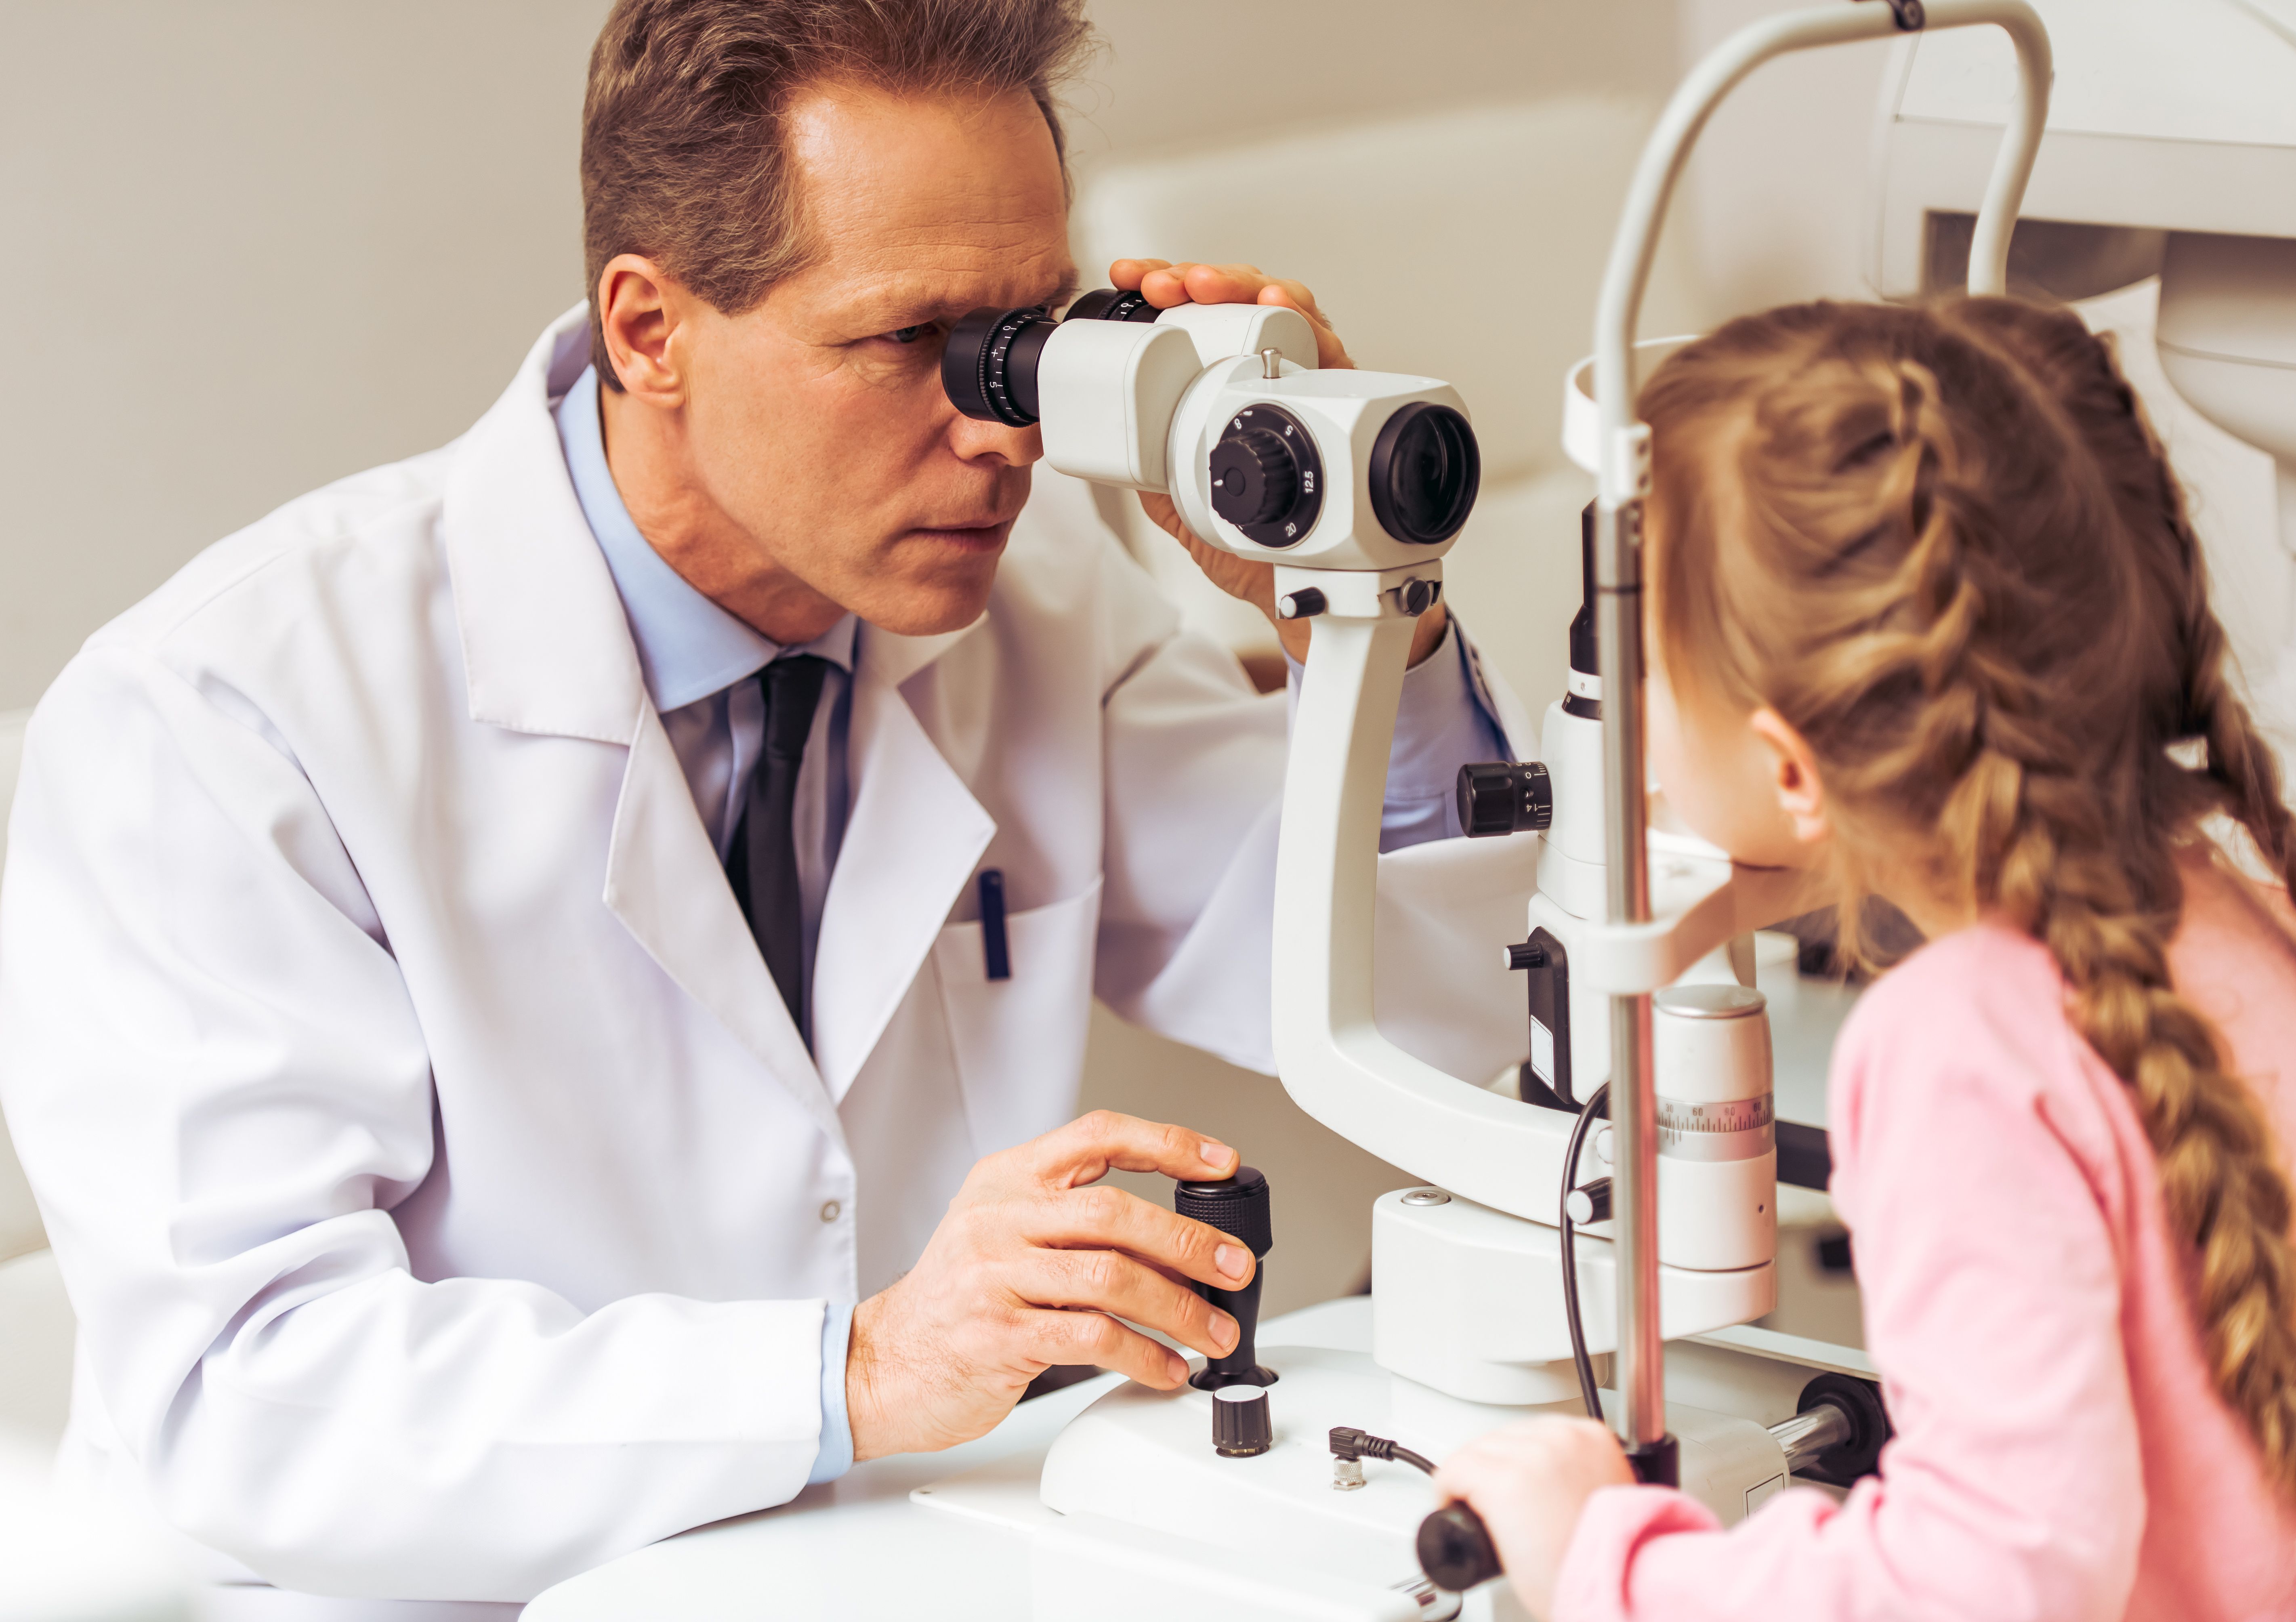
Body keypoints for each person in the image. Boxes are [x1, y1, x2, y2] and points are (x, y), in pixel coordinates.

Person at [0, 0, 1522, 1612]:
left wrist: (1360, 601)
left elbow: (1434, 1025)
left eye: (1025, 335)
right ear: (648, 331)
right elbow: (250, 1394)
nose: (997, 429)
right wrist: (851, 1367)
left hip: (885, 1559)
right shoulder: (228, 716)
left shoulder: (1042, 595)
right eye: (906, 342)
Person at [1433, 298, 2296, 1621]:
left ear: (1794, 768)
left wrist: (1608, 1562)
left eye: (1648, 667)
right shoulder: (2238, 914)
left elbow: (1993, 1580)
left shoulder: (1958, 1041)